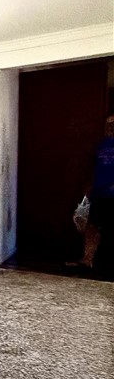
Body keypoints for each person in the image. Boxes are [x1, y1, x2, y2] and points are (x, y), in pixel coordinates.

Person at [81, 114, 114, 270]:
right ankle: (88, 259)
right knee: (92, 226)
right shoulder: (100, 145)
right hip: (99, 192)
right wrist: (89, 186)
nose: (111, 127)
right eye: (108, 124)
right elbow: (94, 167)